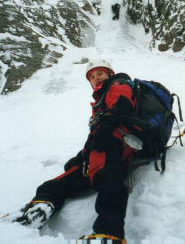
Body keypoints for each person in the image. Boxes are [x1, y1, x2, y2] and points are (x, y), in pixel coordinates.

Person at [12, 60, 144, 243]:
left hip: (114, 147)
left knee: (109, 183)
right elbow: (99, 130)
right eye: (92, 76)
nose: (96, 78)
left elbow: (120, 108)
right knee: (51, 186)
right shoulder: (101, 99)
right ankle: (38, 208)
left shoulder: (119, 84)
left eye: (100, 73)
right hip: (99, 152)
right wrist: (83, 155)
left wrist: (103, 133)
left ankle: (108, 234)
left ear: (110, 74)